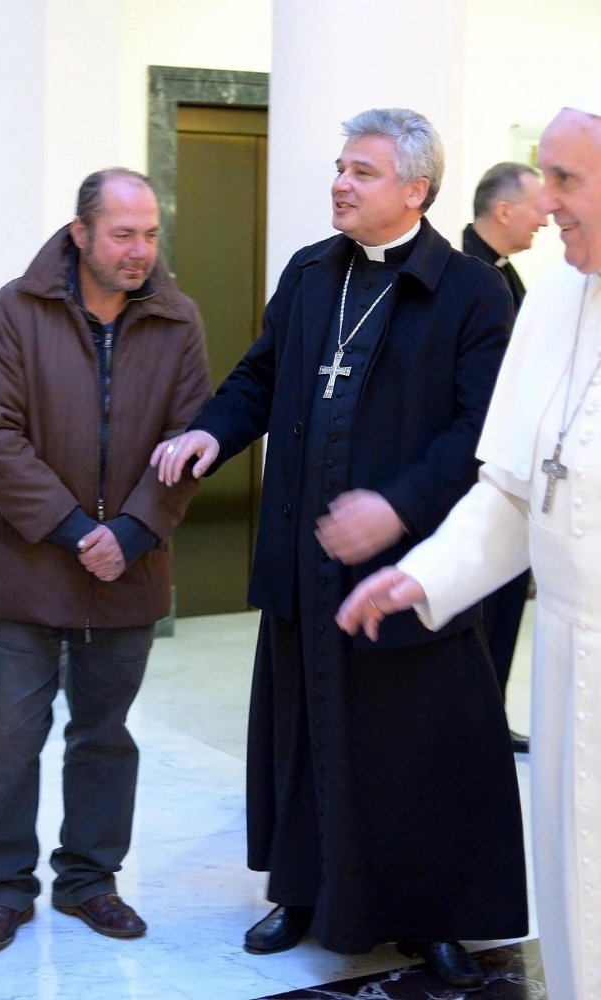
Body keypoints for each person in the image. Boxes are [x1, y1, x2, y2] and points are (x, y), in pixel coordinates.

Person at [152, 108, 527, 992]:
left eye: (362, 172)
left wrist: (397, 508)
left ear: (416, 190)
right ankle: (302, 891)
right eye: (340, 167)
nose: (340, 184)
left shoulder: (470, 293)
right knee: (305, 730)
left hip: (409, 570)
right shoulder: (313, 272)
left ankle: (430, 916)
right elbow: (261, 374)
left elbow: (479, 433)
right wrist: (212, 431)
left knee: (413, 749)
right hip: (305, 557)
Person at [337, 96, 601, 1000]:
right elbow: (516, 490)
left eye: (566, 180)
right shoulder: (555, 299)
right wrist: (423, 574)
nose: (545, 202)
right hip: (565, 652)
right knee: (573, 890)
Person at [0, 167, 210, 952]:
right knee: (8, 743)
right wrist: (75, 529)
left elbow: (192, 439)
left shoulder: (178, 319)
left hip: (129, 572)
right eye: (122, 234)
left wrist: (134, 530)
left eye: (150, 235)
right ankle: (3, 888)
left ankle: (89, 880)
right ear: (81, 234)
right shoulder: (19, 307)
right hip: (33, 569)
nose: (140, 251)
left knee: (105, 738)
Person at [463, 162, 549, 753]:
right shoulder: (468, 275)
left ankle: (489, 714)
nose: (545, 216)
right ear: (504, 210)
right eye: (537, 203)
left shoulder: (507, 274)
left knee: (507, 603)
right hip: (480, 471)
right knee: (481, 605)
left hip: (516, 468)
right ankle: (473, 720)